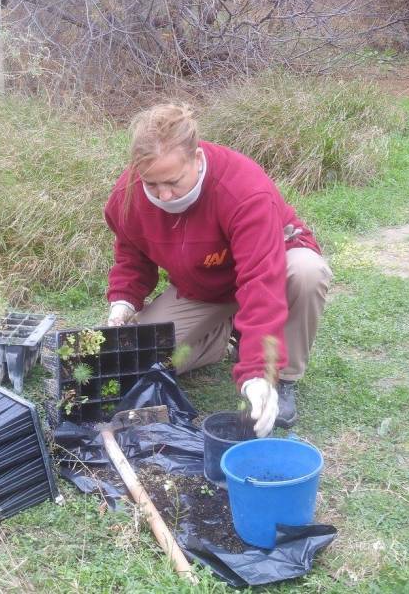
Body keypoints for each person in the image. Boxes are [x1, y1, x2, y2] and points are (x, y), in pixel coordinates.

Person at [104, 103, 332, 437]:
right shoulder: (127, 196)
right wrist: (124, 300)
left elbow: (261, 285)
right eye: (152, 185)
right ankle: (221, 339)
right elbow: (131, 254)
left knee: (307, 271)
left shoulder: (244, 190)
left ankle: (283, 380)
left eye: (172, 181)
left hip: (273, 269)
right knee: (139, 361)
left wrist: (258, 373)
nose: (164, 195)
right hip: (205, 287)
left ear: (196, 159)